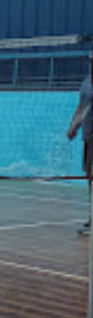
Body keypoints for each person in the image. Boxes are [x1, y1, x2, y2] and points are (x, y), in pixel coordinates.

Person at [66, 51, 93, 235]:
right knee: (90, 177)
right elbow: (81, 107)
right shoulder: (86, 83)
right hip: (88, 136)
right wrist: (73, 126)